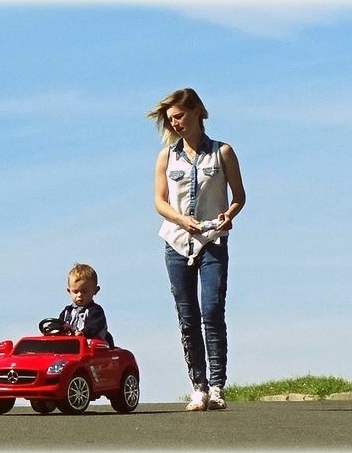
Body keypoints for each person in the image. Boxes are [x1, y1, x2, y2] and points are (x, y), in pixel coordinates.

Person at [148, 88, 246, 411]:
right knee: (187, 316)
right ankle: (198, 387)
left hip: (212, 241)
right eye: (171, 119)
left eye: (179, 116)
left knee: (212, 310)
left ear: (196, 112)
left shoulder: (223, 152)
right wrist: (181, 220)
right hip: (176, 241)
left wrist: (228, 215)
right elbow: (159, 201)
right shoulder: (166, 156)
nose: (175, 123)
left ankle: (217, 387)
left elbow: (239, 197)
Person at [58, 263, 110, 345]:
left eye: (84, 292)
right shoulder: (67, 311)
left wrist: (83, 333)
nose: (80, 295)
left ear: (95, 290)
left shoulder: (96, 311)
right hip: (70, 346)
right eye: (75, 292)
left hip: (92, 346)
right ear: (69, 291)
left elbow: (94, 326)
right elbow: (60, 324)